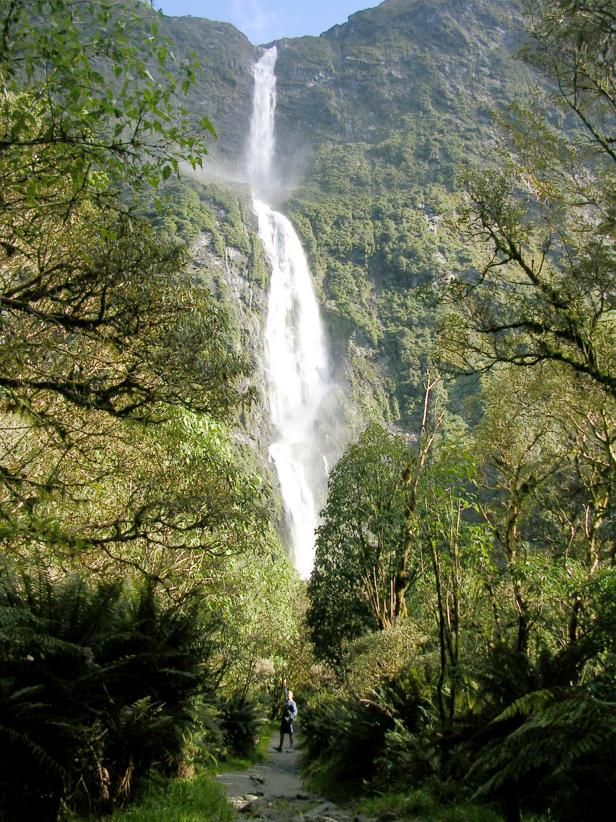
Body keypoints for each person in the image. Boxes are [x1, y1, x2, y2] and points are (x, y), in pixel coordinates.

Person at [275, 677, 297, 752]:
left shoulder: (293, 703)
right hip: (284, 721)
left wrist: (290, 718)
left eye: (289, 694)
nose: (288, 695)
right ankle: (280, 748)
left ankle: (291, 748)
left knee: (291, 734)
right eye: (287, 694)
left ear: (292, 695)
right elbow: (285, 691)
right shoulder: (286, 700)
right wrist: (284, 684)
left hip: (289, 722)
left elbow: (295, 712)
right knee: (282, 733)